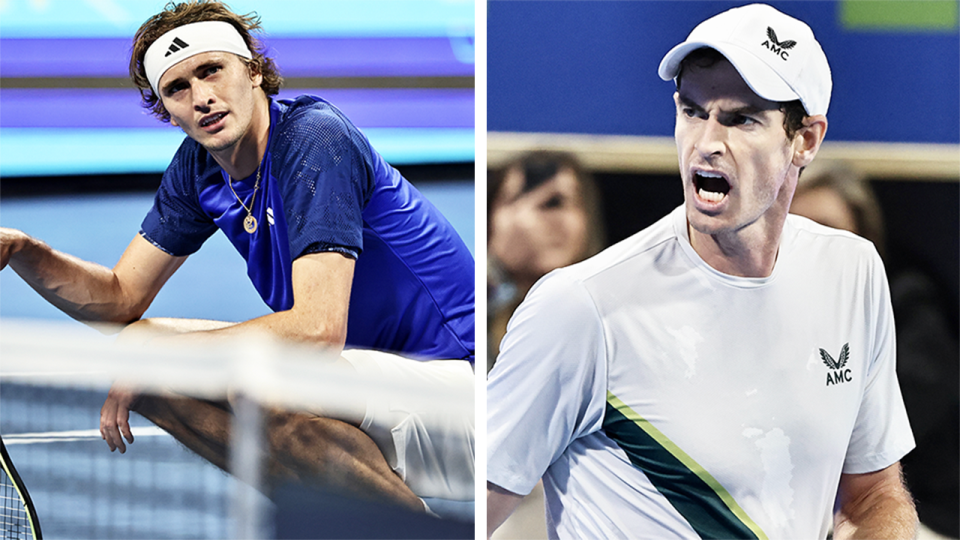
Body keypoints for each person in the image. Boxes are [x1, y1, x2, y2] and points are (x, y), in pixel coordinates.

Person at [0, 0, 474, 515]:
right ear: (166, 108)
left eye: (211, 71)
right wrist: (25, 250)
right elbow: (120, 298)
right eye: (177, 88)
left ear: (252, 70)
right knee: (135, 350)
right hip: (373, 388)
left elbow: (317, 330)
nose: (201, 98)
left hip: (467, 396)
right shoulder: (199, 168)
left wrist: (171, 359)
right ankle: (369, 517)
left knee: (257, 382)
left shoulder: (316, 138)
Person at [487, 4, 917, 539]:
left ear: (805, 139)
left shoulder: (852, 272)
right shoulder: (580, 307)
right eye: (692, 111)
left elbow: (874, 495)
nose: (707, 141)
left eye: (740, 119)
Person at [790, 164, 960, 539]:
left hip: (924, 516)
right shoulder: (770, 320)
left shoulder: (909, 304)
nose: (812, 245)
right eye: (797, 230)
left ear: (864, 239)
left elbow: (882, 430)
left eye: (828, 230)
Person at [487, 150, 605, 369]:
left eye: (555, 202)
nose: (529, 217)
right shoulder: (475, 322)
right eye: (516, 200)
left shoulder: (618, 323)